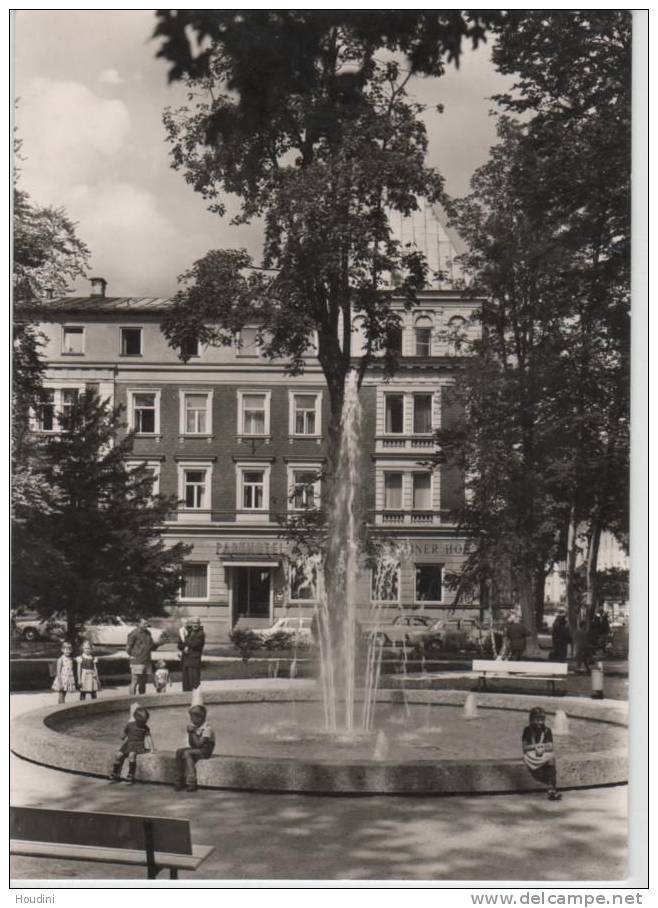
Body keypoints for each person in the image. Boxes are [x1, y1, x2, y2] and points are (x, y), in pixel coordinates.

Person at [522, 706, 561, 801]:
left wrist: (542, 747)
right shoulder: (527, 730)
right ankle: (550, 786)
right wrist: (535, 746)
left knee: (551, 759)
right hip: (531, 754)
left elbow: (551, 746)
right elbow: (525, 748)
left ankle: (551, 789)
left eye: (542, 720)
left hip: (542, 753)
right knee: (547, 758)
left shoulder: (547, 730)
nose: (540, 722)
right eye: (537, 720)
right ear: (532, 719)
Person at [174, 705, 215, 792]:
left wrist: (192, 732)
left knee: (187, 753)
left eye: (193, 717)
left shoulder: (207, 729)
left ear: (201, 717)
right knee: (179, 751)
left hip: (205, 751)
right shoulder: (196, 727)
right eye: (191, 717)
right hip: (197, 749)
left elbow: (199, 744)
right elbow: (192, 744)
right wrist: (190, 733)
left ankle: (192, 782)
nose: (191, 720)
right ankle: (179, 779)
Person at [109, 706, 154, 783]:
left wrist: (152, 748)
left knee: (131, 755)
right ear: (136, 718)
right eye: (143, 721)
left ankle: (130, 773)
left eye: (145, 721)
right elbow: (125, 733)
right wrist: (122, 739)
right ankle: (115, 772)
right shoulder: (130, 725)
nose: (145, 723)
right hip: (128, 743)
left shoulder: (145, 728)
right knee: (118, 755)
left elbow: (148, 738)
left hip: (138, 744)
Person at [126, 618, 155, 695]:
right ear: (138, 624)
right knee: (134, 681)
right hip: (137, 661)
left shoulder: (148, 633)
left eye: (146, 623)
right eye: (144, 623)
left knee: (143, 682)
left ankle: (142, 700)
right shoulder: (134, 633)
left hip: (147, 660)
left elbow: (151, 645)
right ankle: (131, 700)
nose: (146, 625)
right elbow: (128, 648)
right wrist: (133, 656)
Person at [178, 617, 205, 691]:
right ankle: (186, 701)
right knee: (186, 685)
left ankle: (195, 701)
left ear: (199, 624)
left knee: (194, 685)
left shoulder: (200, 634)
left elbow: (193, 644)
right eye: (193, 623)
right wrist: (184, 646)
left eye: (197, 623)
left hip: (194, 662)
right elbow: (179, 645)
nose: (195, 625)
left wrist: (183, 636)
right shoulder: (188, 631)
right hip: (185, 661)